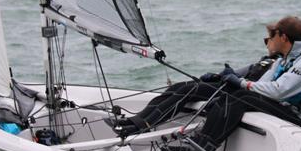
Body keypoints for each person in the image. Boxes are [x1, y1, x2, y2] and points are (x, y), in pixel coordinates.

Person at [165, 15, 301, 151]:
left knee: (243, 97)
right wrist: (226, 81)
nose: (269, 40)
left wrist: (241, 82)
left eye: (272, 36)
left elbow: (277, 91)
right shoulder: (286, 59)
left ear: (283, 37)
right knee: (236, 95)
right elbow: (261, 85)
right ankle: (199, 148)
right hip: (289, 111)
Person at [106, 54, 280, 137]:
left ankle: (141, 126)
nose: (266, 42)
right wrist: (217, 75)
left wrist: (232, 79)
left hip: (234, 92)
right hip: (224, 85)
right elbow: (234, 72)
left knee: (187, 91)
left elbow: (261, 87)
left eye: (269, 38)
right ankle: (134, 120)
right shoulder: (264, 60)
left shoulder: (277, 65)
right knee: (179, 87)